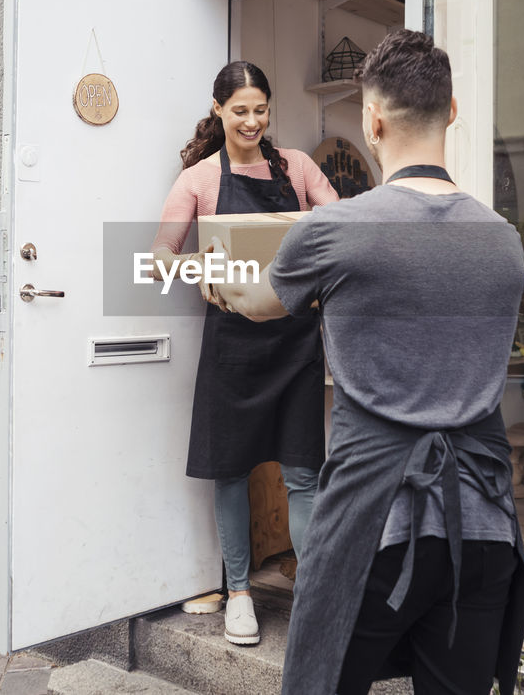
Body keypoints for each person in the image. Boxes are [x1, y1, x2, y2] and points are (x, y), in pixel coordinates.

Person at [204, 31, 524, 694]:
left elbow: (263, 302)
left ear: (371, 119)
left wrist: (220, 282)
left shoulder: (334, 230)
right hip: (484, 522)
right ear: (454, 110)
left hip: (373, 524)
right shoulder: (505, 242)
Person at [151, 61, 339, 646]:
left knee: (304, 473)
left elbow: (341, 229)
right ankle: (239, 593)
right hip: (232, 344)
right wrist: (196, 267)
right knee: (230, 472)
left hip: (295, 342)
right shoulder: (200, 179)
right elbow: (160, 253)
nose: (253, 121)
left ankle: (313, 597)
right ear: (218, 110)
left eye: (261, 109)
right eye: (241, 111)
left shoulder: (299, 168)